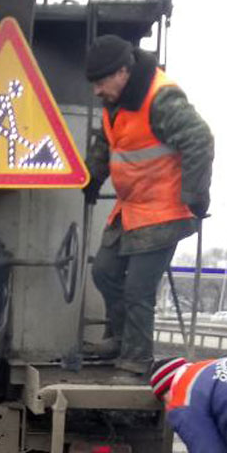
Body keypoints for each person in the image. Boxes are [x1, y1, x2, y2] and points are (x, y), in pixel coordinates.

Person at [83, 35, 214, 374]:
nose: (97, 90)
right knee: (104, 272)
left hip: (164, 210)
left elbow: (199, 139)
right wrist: (92, 178)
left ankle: (136, 358)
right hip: (131, 208)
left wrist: (196, 195)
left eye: (101, 82)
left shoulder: (161, 98)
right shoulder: (117, 101)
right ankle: (121, 338)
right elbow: (107, 140)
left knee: (138, 289)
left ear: (123, 72)